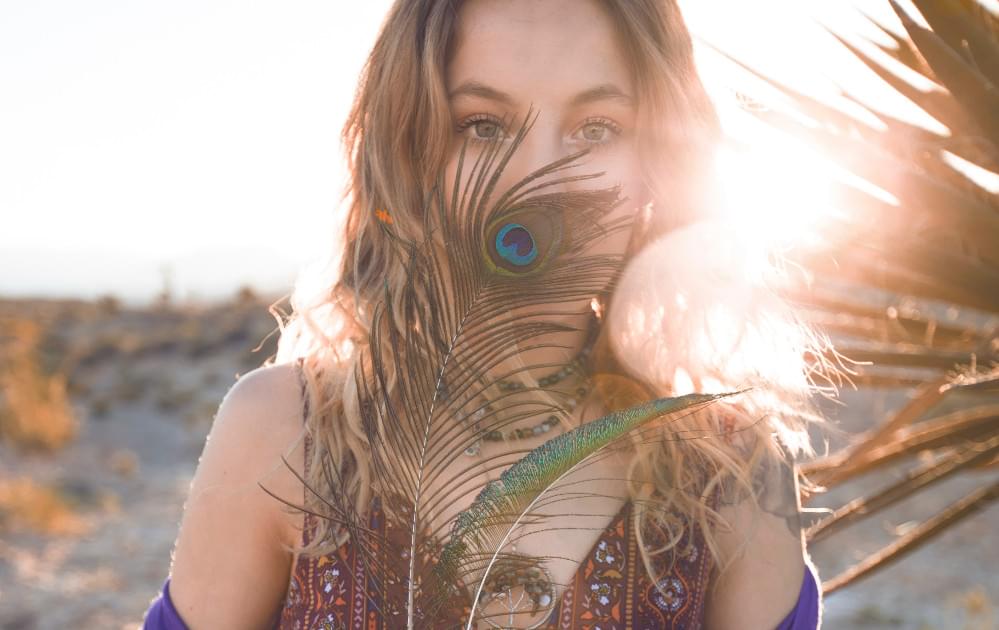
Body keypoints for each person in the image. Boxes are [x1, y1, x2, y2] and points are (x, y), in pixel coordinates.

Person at [143, 0, 824, 628]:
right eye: (481, 125)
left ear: (657, 162)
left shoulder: (733, 471)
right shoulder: (283, 432)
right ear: (411, 154)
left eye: (597, 128)